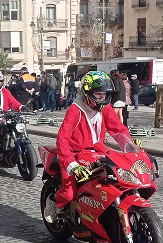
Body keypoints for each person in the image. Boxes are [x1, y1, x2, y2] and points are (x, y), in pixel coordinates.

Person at [54, 71, 136, 217]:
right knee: (68, 194)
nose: (102, 98)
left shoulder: (104, 107)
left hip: (98, 151)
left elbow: (117, 128)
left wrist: (130, 145)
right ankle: (53, 203)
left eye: (105, 94)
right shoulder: (75, 110)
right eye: (99, 94)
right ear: (88, 92)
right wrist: (73, 166)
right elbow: (62, 139)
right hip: (74, 154)